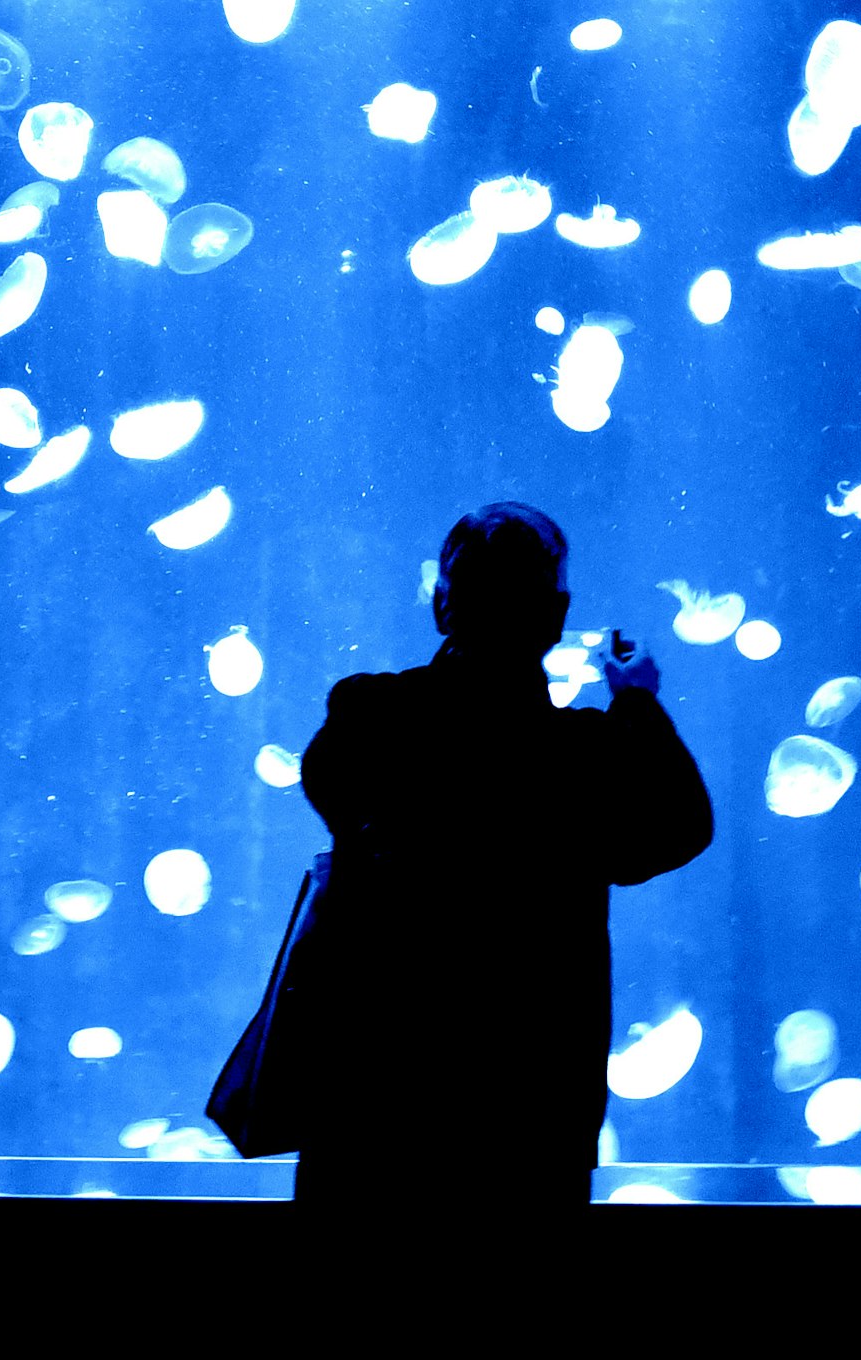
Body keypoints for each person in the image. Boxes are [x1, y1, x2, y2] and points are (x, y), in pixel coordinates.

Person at [293, 504, 714, 1205]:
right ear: (555, 616)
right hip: (529, 1119)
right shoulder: (584, 758)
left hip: (373, 1104)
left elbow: (331, 784)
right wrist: (638, 705)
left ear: (442, 604)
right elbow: (678, 829)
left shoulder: (367, 718)